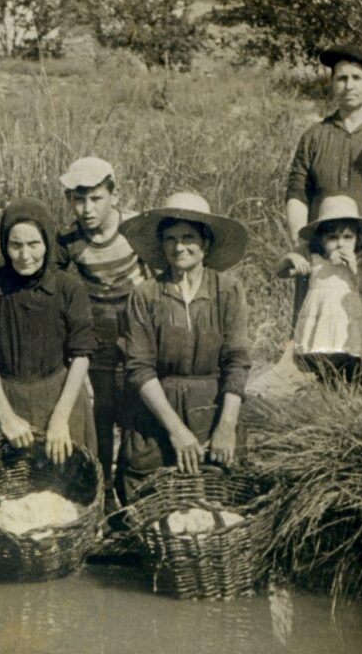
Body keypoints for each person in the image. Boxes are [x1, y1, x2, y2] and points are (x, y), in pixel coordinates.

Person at [116, 192, 251, 503]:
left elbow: (237, 361)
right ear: (161, 245)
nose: (179, 247)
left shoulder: (228, 291)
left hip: (213, 409)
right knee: (155, 505)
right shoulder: (145, 295)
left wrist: (226, 427)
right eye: (170, 239)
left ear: (205, 243)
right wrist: (176, 431)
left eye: (188, 237)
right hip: (158, 414)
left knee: (220, 504)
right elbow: (139, 368)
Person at [284, 44, 362, 349]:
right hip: (324, 246)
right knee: (317, 336)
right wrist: (301, 244)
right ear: (332, 83)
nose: (349, 85)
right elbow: (297, 192)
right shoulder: (315, 135)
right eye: (341, 78)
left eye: (357, 77)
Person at [0, 197, 97, 463]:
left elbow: (81, 355)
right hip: (6, 397)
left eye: (34, 244)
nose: (25, 256)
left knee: (66, 481)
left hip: (62, 398)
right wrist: (4, 416)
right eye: (15, 245)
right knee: (6, 476)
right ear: (4, 244)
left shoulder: (69, 288)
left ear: (48, 242)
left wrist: (60, 419)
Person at [56, 156, 148, 497]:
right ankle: (104, 488)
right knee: (103, 409)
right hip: (98, 335)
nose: (87, 208)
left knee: (137, 405)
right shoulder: (68, 241)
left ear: (114, 195)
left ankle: (133, 483)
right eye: (78, 199)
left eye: (95, 198)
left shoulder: (135, 229)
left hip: (138, 329)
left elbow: (155, 278)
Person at [276, 194, 362, 384]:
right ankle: (327, 384)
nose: (340, 244)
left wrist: (354, 269)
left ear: (357, 239)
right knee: (325, 361)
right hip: (323, 324)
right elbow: (281, 273)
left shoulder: (359, 262)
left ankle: (357, 383)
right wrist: (289, 259)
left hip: (350, 324)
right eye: (333, 238)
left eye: (347, 237)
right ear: (321, 240)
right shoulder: (316, 261)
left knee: (355, 358)